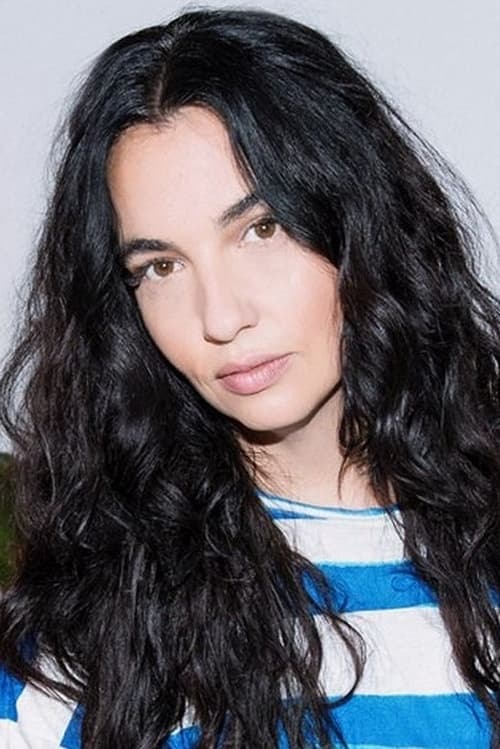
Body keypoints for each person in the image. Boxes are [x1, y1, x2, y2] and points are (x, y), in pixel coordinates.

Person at [0, 6, 499, 748]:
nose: (221, 316)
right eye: (160, 266)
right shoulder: (78, 640)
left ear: (358, 219)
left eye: (261, 229)